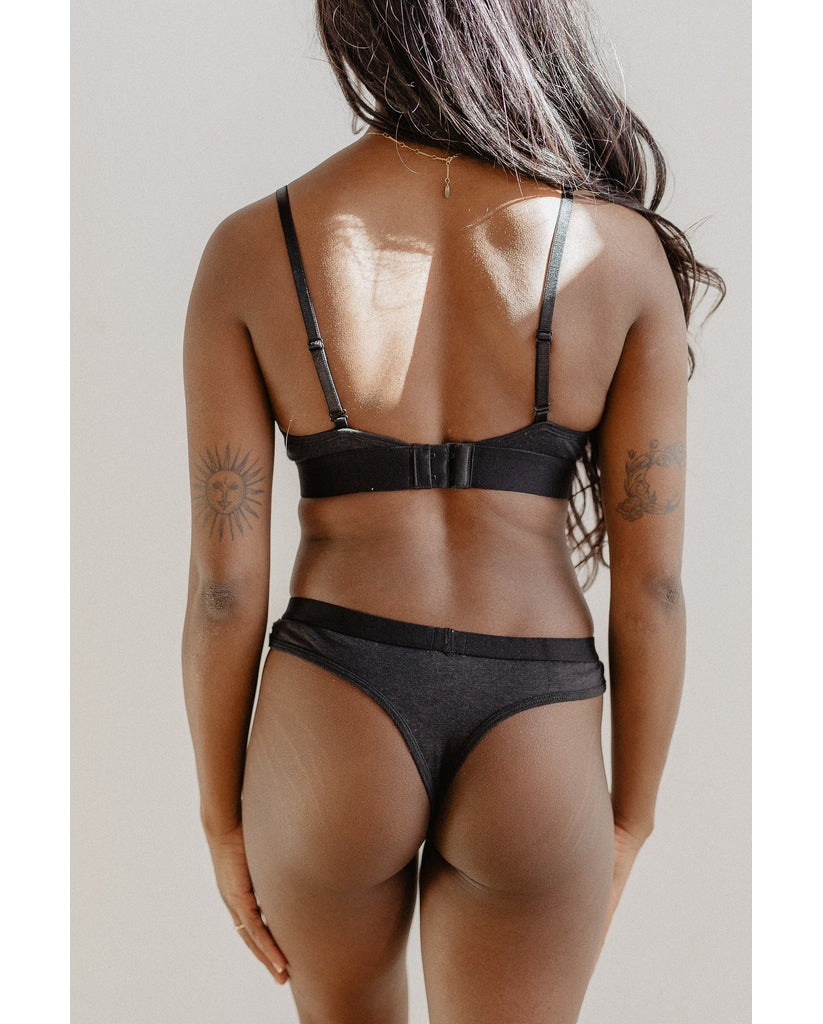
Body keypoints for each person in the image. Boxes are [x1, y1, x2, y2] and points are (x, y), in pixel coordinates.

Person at [182, 1, 724, 1021]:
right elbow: (653, 589)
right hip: (536, 709)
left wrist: (222, 820)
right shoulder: (618, 255)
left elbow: (223, 589)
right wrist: (629, 821)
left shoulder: (253, 247)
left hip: (334, 698)